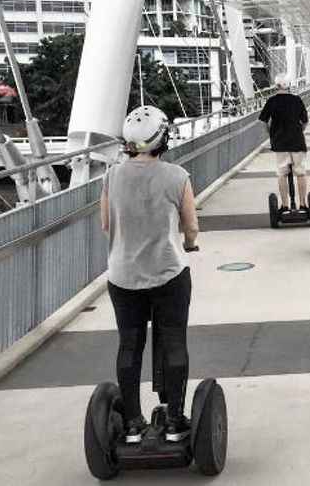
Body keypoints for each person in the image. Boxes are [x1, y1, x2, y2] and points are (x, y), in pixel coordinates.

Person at [100, 105, 200, 444]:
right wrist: (188, 242)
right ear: (163, 137)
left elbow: (105, 224)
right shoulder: (177, 176)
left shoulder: (111, 175)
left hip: (123, 276)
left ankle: (131, 424)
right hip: (168, 274)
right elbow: (191, 227)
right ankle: (174, 421)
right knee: (173, 340)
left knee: (129, 345)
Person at [259, 74, 310, 211]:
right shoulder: (296, 100)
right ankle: (303, 204)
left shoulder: (271, 101)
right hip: (297, 141)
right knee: (300, 172)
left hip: (279, 142)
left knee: (282, 173)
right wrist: (299, 131)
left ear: (276, 86)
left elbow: (263, 120)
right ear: (289, 86)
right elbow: (305, 121)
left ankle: (285, 205)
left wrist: (270, 133)